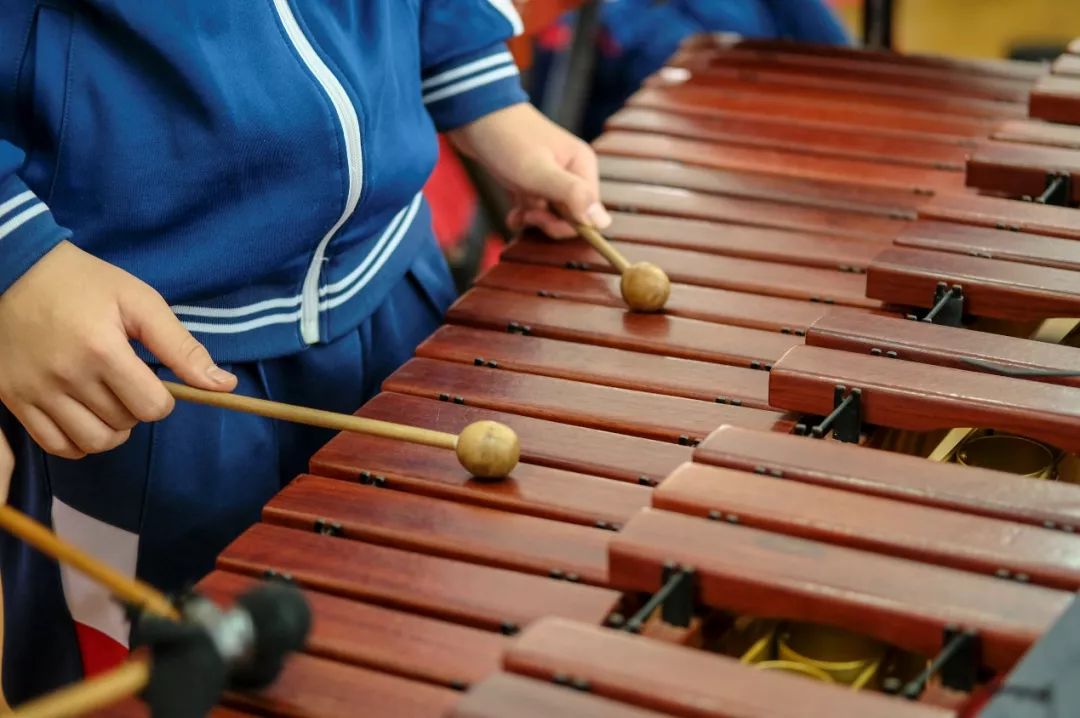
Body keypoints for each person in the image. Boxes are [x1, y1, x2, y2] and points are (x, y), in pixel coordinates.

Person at [0, 1, 611, 702]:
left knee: (396, 667)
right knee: (160, 691)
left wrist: (472, 79)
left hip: (400, 294)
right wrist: (13, 257)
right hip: (138, 355)